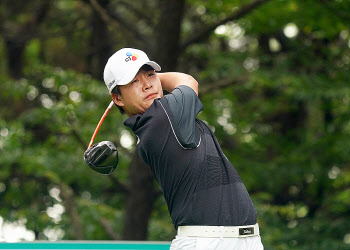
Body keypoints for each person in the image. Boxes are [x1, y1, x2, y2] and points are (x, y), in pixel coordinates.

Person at [103, 48, 264, 250]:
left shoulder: (158, 120)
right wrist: (156, 78)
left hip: (238, 240)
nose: (146, 85)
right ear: (117, 98)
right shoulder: (161, 117)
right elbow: (188, 81)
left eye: (150, 75)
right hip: (207, 242)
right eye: (134, 81)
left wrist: (142, 78)